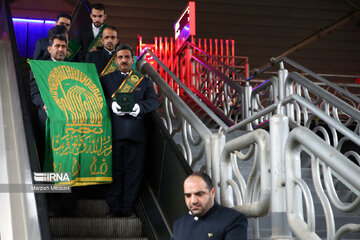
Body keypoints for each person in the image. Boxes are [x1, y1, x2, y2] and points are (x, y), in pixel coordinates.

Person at [100, 44, 159, 217]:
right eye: (120, 57)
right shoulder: (106, 80)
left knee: (134, 173)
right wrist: (112, 105)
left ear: (133, 60)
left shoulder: (144, 80)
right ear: (116, 60)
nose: (124, 60)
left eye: (127, 57)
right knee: (114, 172)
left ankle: (128, 208)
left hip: (136, 134)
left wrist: (139, 108)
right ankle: (113, 208)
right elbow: (99, 100)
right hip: (114, 134)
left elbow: (154, 102)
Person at [172, 172, 248, 240]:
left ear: (212, 192)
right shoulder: (179, 224)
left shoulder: (232, 220)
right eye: (188, 195)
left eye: (199, 194)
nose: (193, 201)